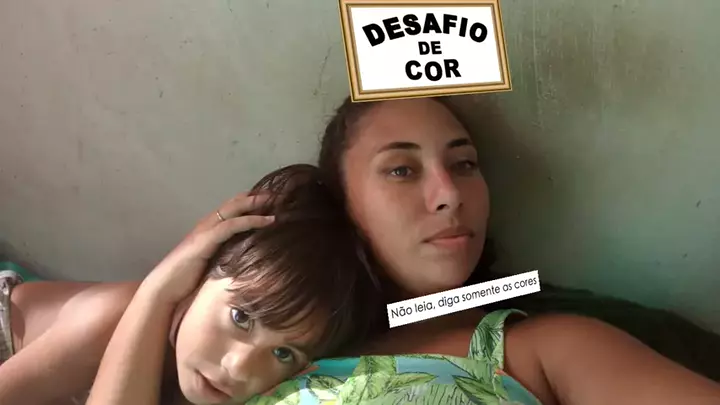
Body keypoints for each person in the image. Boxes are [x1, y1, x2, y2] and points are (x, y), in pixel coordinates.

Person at [233, 96, 720, 404]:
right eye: (401, 169)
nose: (449, 193)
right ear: (340, 201)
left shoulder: (548, 349)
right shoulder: (263, 349)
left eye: (464, 164)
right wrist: (181, 280)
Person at [5, 164, 384, 405]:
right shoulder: (113, 317)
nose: (238, 367)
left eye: (283, 353)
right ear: (195, 280)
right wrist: (155, 292)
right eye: (241, 317)